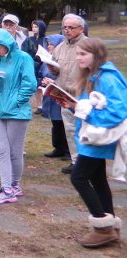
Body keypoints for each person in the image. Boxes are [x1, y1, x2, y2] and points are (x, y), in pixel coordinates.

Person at [67, 38, 126, 249]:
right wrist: (72, 105)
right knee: (97, 178)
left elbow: (118, 111)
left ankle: (102, 228)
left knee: (79, 177)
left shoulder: (107, 78)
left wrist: (88, 114)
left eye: (83, 54)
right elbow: (86, 106)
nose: (78, 58)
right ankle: (110, 225)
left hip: (98, 138)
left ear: (96, 55)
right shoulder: (92, 75)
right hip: (91, 137)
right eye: (77, 54)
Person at [0, 28, 36, 204]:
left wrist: (16, 102)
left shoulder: (24, 58)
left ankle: (14, 185)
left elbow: (30, 84)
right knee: (1, 149)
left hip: (17, 111)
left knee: (15, 151)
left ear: (8, 43)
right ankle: (6, 188)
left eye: (0, 47)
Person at [44, 13, 87, 174]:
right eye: (64, 27)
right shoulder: (60, 47)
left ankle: (87, 163)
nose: (67, 30)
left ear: (81, 28)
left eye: (71, 27)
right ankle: (76, 161)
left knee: (84, 131)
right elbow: (56, 70)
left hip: (83, 96)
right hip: (64, 95)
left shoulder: (88, 45)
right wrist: (53, 70)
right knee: (70, 130)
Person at [40, 34, 70, 159]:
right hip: (50, 95)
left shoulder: (63, 59)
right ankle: (58, 147)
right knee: (55, 123)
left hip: (61, 94)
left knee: (64, 123)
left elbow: (66, 76)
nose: (49, 46)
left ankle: (67, 150)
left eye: (52, 44)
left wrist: (53, 82)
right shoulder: (48, 58)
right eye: (48, 44)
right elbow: (42, 72)